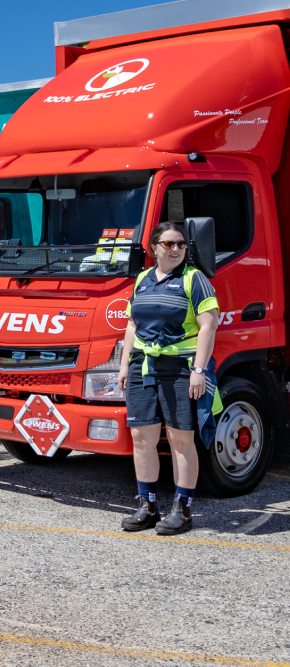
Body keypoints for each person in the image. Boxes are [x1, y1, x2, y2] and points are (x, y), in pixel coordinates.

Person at [117, 222, 219, 535]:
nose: (175, 249)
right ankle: (148, 507)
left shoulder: (194, 279)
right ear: (153, 248)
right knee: (141, 438)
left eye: (181, 244)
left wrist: (198, 370)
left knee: (179, 439)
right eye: (168, 244)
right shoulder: (143, 279)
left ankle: (183, 510)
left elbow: (208, 326)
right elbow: (132, 325)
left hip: (180, 369)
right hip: (143, 367)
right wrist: (123, 366)